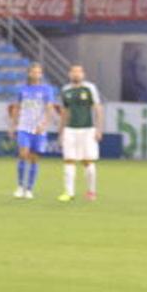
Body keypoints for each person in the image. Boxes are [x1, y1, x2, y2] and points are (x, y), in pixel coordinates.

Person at [9, 63, 58, 199]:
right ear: (29, 73)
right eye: (34, 72)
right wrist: (12, 126)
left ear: (41, 75)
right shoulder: (22, 90)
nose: (36, 74)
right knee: (23, 154)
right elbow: (17, 108)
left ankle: (29, 189)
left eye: (38, 72)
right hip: (24, 127)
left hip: (39, 129)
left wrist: (44, 124)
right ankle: (20, 186)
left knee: (34, 159)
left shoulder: (46, 89)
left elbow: (49, 108)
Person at [57, 64, 103, 203]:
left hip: (87, 129)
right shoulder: (65, 90)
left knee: (87, 161)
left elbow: (97, 109)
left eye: (79, 72)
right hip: (70, 130)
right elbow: (64, 112)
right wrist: (61, 132)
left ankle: (91, 191)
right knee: (69, 160)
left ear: (83, 74)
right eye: (73, 72)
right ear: (69, 74)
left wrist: (99, 129)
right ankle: (69, 192)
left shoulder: (89, 88)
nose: (76, 74)